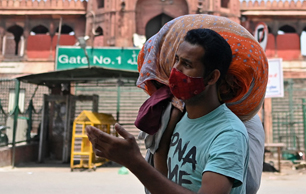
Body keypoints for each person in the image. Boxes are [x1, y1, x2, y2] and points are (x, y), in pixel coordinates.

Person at [87, 28, 249, 194]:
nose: (176, 70)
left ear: (212, 77)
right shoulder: (179, 118)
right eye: (177, 60)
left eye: (187, 65)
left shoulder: (229, 134)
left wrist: (134, 162)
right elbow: (166, 182)